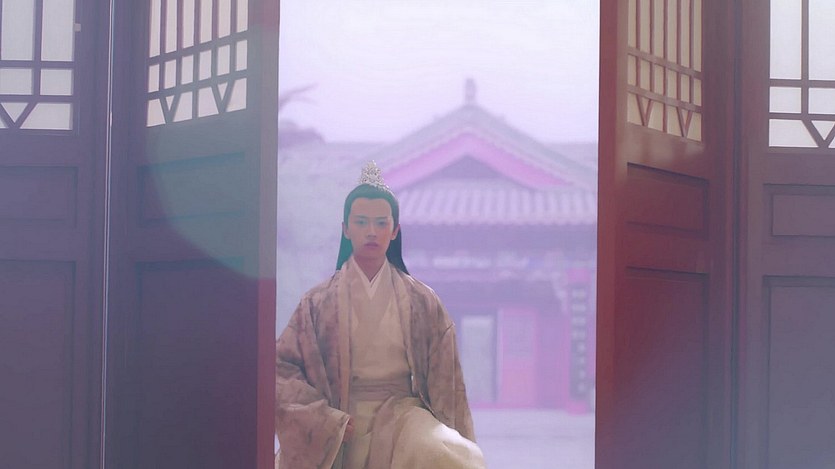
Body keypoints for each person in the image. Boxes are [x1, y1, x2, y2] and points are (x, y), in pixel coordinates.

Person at [275, 162, 485, 469]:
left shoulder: (422, 301)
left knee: (449, 454)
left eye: (381, 222)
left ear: (395, 230)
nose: (371, 231)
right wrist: (323, 419)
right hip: (341, 421)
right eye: (361, 222)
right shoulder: (317, 303)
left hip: (403, 417)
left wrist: (457, 432)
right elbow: (280, 370)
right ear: (346, 229)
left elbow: (447, 384)